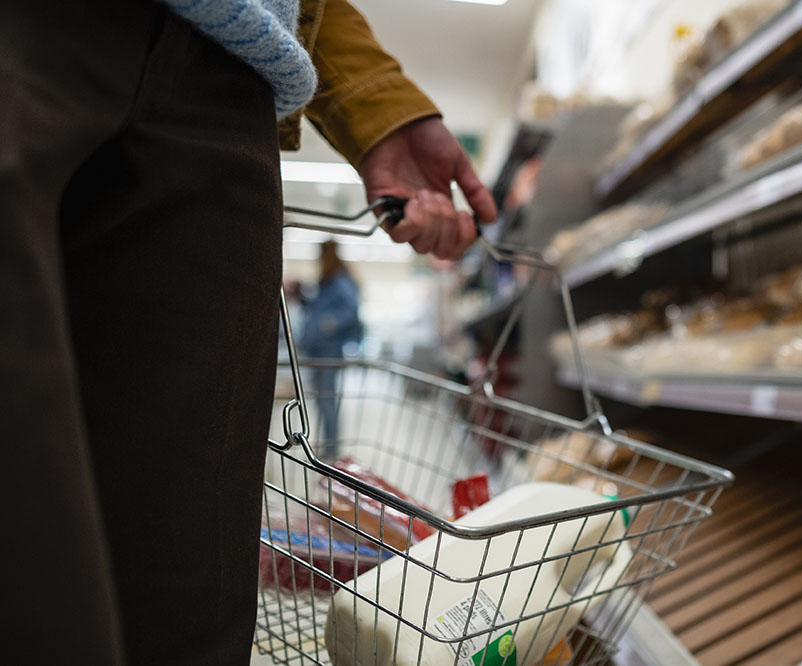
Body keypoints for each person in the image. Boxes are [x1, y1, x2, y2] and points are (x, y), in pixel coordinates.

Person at [1, 0, 496, 664]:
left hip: (232, 89)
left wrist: (379, 109)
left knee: (186, 596)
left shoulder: (333, 280)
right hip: (34, 36)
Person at [298, 240, 362, 458]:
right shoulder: (326, 281)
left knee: (327, 400)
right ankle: (328, 445)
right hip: (317, 349)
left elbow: (351, 310)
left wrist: (328, 323)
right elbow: (318, 308)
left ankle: (332, 449)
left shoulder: (339, 280)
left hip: (328, 351)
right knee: (321, 400)